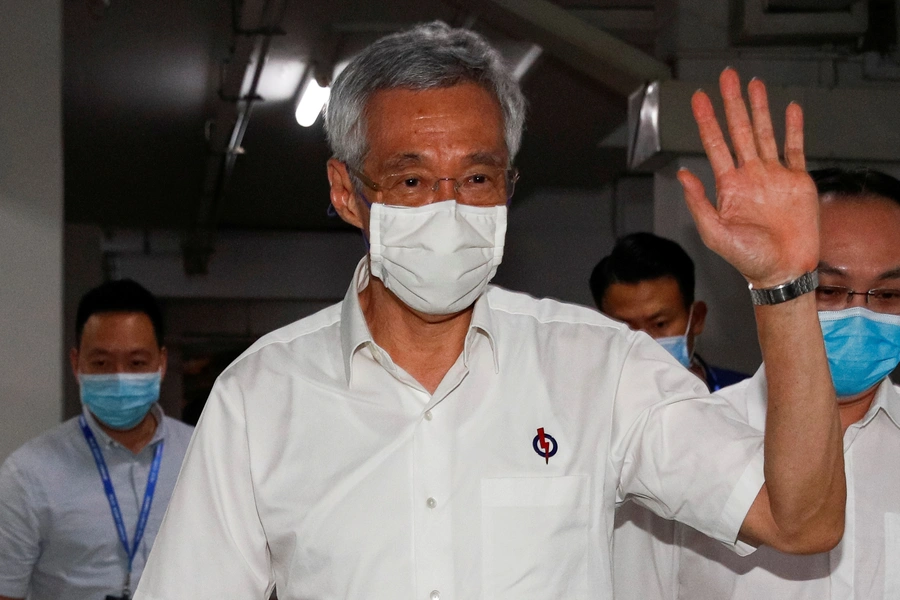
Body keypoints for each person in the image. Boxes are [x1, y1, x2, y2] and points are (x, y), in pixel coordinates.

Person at [134, 22, 845, 600]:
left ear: (509, 185)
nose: (449, 207)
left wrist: (784, 288)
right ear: (348, 193)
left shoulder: (599, 369)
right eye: (411, 179)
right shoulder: (261, 397)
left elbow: (802, 519)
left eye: (477, 177)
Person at [619, 168, 900, 600]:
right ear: (776, 288)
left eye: (888, 295)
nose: (857, 313)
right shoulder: (685, 439)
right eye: (827, 289)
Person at [0, 280, 194, 600]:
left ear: (161, 363)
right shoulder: (27, 475)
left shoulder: (203, 456)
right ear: (77, 364)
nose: (119, 376)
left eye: (136, 363)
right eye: (101, 363)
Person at [590, 232, 750, 392]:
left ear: (696, 318)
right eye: (627, 328)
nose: (644, 341)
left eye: (659, 324)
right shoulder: (585, 403)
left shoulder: (744, 397)